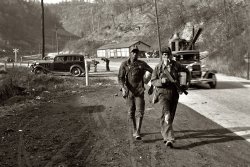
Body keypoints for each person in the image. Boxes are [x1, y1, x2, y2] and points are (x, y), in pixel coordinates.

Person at [151, 47, 190, 148]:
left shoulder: (177, 65)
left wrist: (185, 84)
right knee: (167, 113)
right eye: (164, 54)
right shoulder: (158, 67)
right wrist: (161, 82)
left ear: (170, 55)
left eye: (167, 54)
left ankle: (165, 134)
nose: (166, 56)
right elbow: (153, 81)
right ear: (161, 56)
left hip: (174, 93)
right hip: (162, 93)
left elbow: (186, 72)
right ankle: (170, 138)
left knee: (170, 115)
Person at [118, 48, 153, 140]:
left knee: (140, 112)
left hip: (139, 91)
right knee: (130, 112)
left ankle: (138, 131)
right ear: (129, 53)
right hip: (129, 92)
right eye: (133, 52)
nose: (134, 54)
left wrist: (150, 83)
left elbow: (153, 72)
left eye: (136, 53)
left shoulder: (142, 64)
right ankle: (134, 129)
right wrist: (122, 88)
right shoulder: (124, 64)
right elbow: (120, 77)